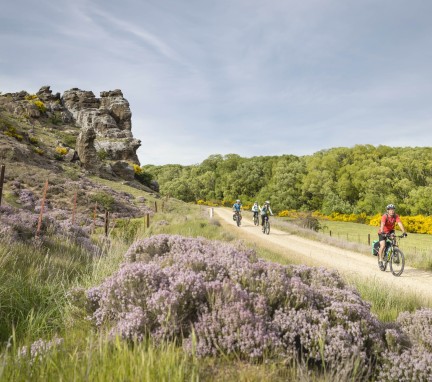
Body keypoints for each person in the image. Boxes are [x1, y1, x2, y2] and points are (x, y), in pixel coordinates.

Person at [377, 204, 407, 270]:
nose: (392, 211)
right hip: (382, 232)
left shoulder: (396, 216)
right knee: (383, 245)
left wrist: (404, 232)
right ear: (388, 211)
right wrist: (382, 232)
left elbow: (399, 223)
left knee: (395, 242)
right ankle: (380, 260)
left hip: (390, 231)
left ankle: (395, 254)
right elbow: (382, 224)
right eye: (390, 210)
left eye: (393, 210)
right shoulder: (385, 216)